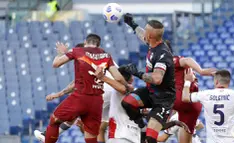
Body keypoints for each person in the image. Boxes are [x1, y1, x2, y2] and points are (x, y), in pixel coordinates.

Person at [44, 34, 129, 143]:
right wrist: (127, 86)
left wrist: (61, 53)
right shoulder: (106, 56)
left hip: (80, 97)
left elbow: (56, 64)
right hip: (97, 101)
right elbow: (118, 77)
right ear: (98, 44)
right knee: (91, 136)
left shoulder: (77, 51)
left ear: (85, 42)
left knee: (54, 121)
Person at [120, 13, 176, 143]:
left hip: (164, 99)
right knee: (128, 102)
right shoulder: (153, 42)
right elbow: (142, 35)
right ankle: (142, 126)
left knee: (151, 139)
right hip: (151, 92)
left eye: (146, 30)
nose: (143, 31)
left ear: (150, 36)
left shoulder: (163, 54)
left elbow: (157, 79)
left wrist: (137, 73)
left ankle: (149, 130)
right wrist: (132, 24)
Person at [94, 66, 189, 143]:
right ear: (131, 79)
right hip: (119, 136)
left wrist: (174, 123)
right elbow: (123, 88)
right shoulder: (121, 91)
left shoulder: (135, 99)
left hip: (130, 137)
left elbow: (153, 123)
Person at [182, 69, 234, 143]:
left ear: (216, 81)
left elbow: (185, 98)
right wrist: (230, 111)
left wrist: (187, 81)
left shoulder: (205, 94)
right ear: (229, 82)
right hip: (231, 140)